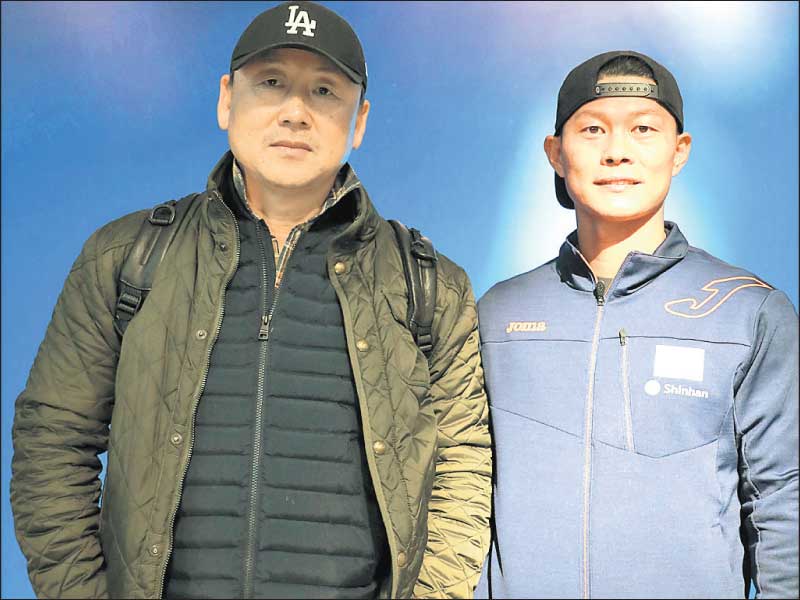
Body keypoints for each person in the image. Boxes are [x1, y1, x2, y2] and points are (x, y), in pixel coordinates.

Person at [10, 2, 491, 598]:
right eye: (270, 83)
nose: (295, 112)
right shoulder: (126, 259)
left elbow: (463, 469)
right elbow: (52, 442)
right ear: (225, 100)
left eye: (323, 90)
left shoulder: (430, 287)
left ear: (359, 121)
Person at [475, 50, 798, 599]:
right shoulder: (496, 315)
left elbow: (784, 499)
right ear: (555, 153)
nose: (617, 151)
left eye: (643, 129)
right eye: (592, 129)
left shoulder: (748, 311)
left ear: (680, 151)